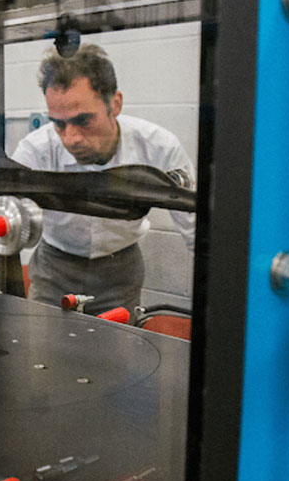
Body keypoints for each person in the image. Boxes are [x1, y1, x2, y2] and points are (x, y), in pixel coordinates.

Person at [10, 44, 196, 315]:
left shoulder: (158, 147)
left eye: (83, 120)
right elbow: (10, 222)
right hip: (54, 269)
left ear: (115, 104)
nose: (70, 138)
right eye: (59, 123)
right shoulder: (35, 151)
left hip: (120, 271)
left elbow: (197, 232)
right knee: (45, 353)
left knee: (118, 353)